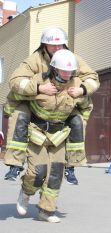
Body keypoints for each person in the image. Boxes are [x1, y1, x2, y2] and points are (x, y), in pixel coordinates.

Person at [3, 27, 99, 184]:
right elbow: (15, 82)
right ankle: (15, 164)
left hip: (63, 103)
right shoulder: (35, 59)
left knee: (78, 122)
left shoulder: (72, 58)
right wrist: (39, 88)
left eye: (61, 44)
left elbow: (93, 78)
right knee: (19, 117)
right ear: (44, 45)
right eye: (53, 45)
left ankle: (71, 166)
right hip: (35, 103)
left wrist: (81, 90)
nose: (57, 48)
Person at [15, 49, 93, 223]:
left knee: (56, 172)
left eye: (70, 71)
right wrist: (39, 90)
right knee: (38, 171)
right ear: (54, 69)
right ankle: (26, 193)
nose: (67, 74)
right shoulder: (39, 79)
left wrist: (80, 95)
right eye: (63, 70)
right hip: (37, 133)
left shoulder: (77, 84)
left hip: (59, 135)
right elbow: (17, 95)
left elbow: (86, 107)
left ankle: (46, 211)